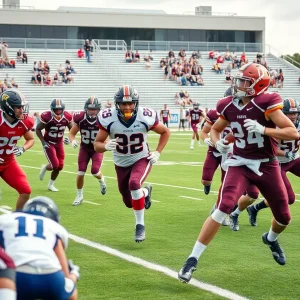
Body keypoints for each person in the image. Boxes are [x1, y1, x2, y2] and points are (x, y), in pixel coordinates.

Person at [178, 63, 299, 283]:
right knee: (224, 206)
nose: (239, 84)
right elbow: (215, 128)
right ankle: (191, 260)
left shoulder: (267, 102)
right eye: (240, 80)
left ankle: (270, 239)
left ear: (258, 85)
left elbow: (292, 132)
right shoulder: (228, 104)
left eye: (245, 81)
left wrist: (264, 129)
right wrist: (218, 144)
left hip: (267, 164)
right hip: (240, 162)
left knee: (284, 216)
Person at [94, 85, 170, 242]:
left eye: (130, 103)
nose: (127, 107)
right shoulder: (108, 117)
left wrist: (157, 151)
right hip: (120, 163)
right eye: (123, 104)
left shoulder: (145, 116)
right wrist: (105, 146)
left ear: (136, 103)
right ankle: (146, 192)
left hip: (141, 158)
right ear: (117, 104)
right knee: (129, 202)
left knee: (134, 183)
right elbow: (97, 144)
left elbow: (165, 132)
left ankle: (140, 226)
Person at [236, 98, 300, 228]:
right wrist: (286, 153)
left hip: (294, 159)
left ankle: (253, 209)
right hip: (278, 164)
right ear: (282, 113)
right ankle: (254, 208)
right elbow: (270, 149)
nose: (293, 116)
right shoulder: (275, 126)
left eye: (295, 113)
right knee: (289, 198)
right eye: (289, 113)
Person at [0, 196, 79, 300]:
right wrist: (74, 274)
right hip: (51, 277)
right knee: (71, 292)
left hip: (17, 275)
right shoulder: (54, 227)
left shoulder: (6, 219)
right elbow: (66, 275)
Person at [0, 89, 35, 209]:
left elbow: (30, 139)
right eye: (18, 107)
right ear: (8, 107)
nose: (22, 110)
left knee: (25, 190)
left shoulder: (25, 122)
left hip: (8, 162)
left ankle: (18, 218)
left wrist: (23, 148)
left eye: (22, 106)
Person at [69, 97, 107, 206]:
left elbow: (108, 135)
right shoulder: (80, 118)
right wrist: (73, 141)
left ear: (99, 109)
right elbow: (72, 133)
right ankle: (79, 195)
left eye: (95, 109)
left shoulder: (102, 119)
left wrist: (107, 143)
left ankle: (102, 181)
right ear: (86, 108)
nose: (92, 111)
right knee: (81, 172)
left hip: (97, 148)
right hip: (84, 148)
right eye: (90, 109)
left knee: (95, 171)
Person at [36, 99, 73, 192]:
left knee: (60, 166)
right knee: (54, 165)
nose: (58, 112)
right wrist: (43, 142)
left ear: (63, 109)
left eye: (60, 109)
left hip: (59, 143)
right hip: (49, 142)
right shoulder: (47, 117)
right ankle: (45, 167)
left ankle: (51, 184)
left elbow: (73, 130)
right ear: (52, 109)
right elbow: (38, 129)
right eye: (56, 110)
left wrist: (70, 138)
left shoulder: (67, 116)